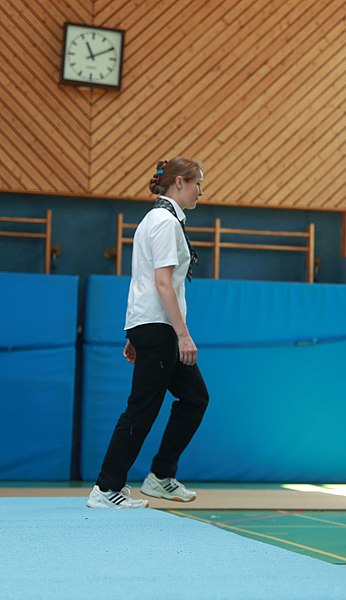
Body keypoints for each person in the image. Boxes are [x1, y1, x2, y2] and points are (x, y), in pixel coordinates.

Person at [86, 157, 209, 509]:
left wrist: (136, 332)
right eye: (198, 183)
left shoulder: (154, 221)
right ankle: (107, 488)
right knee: (142, 408)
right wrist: (182, 335)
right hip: (160, 329)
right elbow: (161, 283)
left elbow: (142, 280)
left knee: (195, 398)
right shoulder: (164, 223)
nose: (200, 191)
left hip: (151, 327)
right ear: (180, 183)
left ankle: (160, 476)